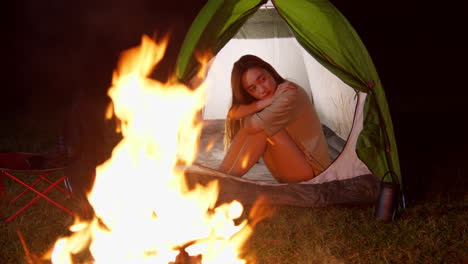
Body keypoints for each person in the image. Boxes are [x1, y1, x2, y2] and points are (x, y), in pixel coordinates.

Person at [217, 55, 331, 183]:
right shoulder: (272, 97)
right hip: (291, 171)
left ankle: (226, 181)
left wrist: (255, 110)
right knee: (255, 124)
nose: (261, 89)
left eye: (262, 79)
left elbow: (251, 126)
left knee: (260, 129)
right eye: (252, 88)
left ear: (270, 71)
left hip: (314, 174)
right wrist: (268, 101)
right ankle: (219, 175)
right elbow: (233, 113)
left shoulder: (290, 93)